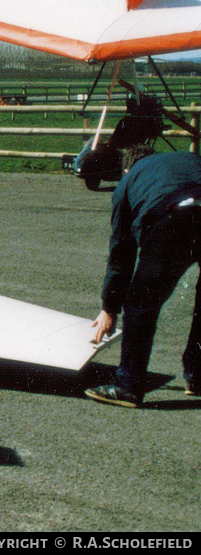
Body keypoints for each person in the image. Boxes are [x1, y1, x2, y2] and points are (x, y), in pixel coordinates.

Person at [86, 146, 201, 407]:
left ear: (127, 168)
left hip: (173, 219)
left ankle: (128, 385)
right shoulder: (188, 158)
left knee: (141, 304)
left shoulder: (130, 179)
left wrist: (110, 308)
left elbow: (121, 253)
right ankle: (197, 376)